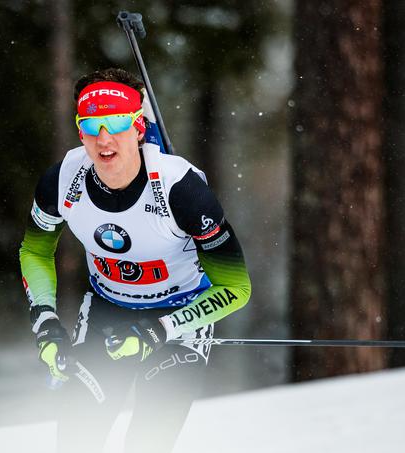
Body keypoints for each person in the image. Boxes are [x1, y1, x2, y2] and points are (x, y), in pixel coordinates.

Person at [19, 68, 252, 453]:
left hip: (180, 321)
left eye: (116, 123)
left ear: (138, 127)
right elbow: (35, 250)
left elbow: (236, 288)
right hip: (107, 313)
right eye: (91, 125)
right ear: (80, 131)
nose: (104, 139)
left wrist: (159, 330)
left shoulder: (181, 189)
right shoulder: (62, 180)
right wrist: (45, 323)